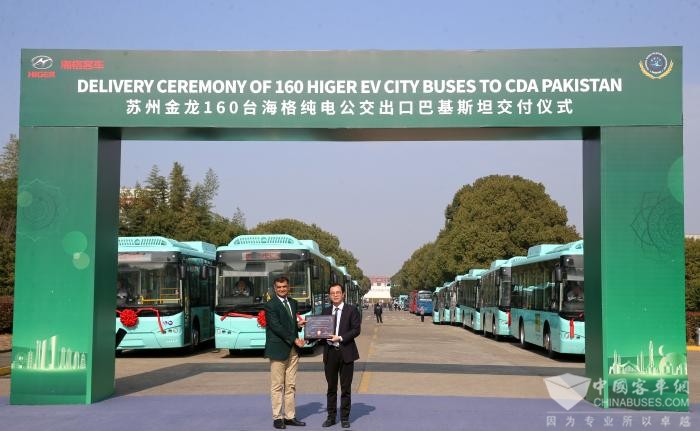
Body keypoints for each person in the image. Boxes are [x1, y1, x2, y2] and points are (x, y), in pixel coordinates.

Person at [264, 276, 307, 429]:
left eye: (284, 286)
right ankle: (277, 417)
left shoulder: (293, 303)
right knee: (277, 386)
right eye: (279, 287)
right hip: (278, 350)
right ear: (275, 288)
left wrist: (298, 325)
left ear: (289, 287)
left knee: (291, 385)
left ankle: (290, 416)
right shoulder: (270, 305)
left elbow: (288, 324)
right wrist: (294, 339)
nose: (282, 289)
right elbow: (276, 327)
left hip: (293, 351)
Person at [321, 283, 361, 428]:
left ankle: (344, 418)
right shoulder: (325, 311)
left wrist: (340, 338)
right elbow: (319, 330)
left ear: (343, 294)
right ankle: (331, 417)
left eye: (338, 292)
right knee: (331, 387)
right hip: (330, 353)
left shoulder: (352, 310)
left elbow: (356, 330)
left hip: (346, 353)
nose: (335, 295)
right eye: (332, 293)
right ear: (329, 296)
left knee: (346, 388)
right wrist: (308, 334)